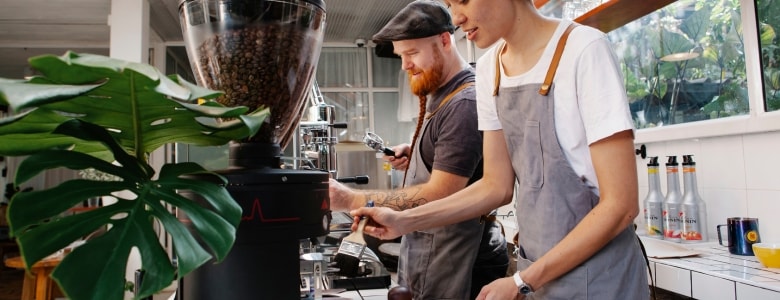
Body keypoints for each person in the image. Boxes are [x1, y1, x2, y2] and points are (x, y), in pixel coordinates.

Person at [350, 0, 650, 299]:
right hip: (539, 271)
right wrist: (404, 221)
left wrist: (522, 280)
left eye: (464, 1)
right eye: (450, 4)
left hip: (601, 276)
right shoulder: (490, 69)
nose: (456, 17)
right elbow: (495, 187)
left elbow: (621, 206)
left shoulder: (583, 48)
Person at [328, 1, 508, 299]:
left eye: (412, 53)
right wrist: (416, 153)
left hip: (458, 259)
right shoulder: (444, 95)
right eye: (401, 56)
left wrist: (353, 198)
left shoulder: (464, 104)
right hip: (432, 253)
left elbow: (441, 192)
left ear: (445, 40)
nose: (405, 65)